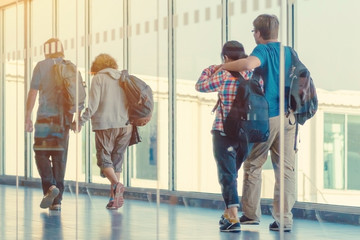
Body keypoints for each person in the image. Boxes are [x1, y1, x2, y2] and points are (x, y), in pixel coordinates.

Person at [219, 14, 296, 232]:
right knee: (286, 169)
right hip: (289, 117)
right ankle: (284, 220)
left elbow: (249, 64)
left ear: (259, 33)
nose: (253, 35)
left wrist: (224, 66)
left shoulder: (262, 50)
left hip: (268, 116)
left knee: (254, 164)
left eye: (254, 31)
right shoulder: (289, 51)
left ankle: (251, 214)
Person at [195, 41, 253, 232]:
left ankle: (234, 218)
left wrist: (214, 67)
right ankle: (228, 213)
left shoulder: (223, 74)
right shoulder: (252, 75)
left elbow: (200, 86)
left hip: (224, 132)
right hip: (247, 135)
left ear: (226, 58)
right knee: (232, 174)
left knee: (227, 175)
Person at [72, 53, 132, 210]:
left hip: (105, 125)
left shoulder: (99, 78)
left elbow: (92, 106)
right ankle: (113, 199)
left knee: (103, 159)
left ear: (97, 66)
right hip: (125, 125)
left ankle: (117, 185)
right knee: (116, 161)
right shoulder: (122, 77)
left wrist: (80, 122)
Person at [25, 38, 74, 211]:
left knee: (41, 154)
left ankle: (50, 187)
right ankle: (57, 201)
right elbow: (78, 96)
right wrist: (75, 119)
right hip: (64, 120)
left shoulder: (41, 66)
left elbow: (33, 92)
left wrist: (27, 116)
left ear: (46, 50)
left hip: (45, 118)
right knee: (60, 159)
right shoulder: (70, 67)